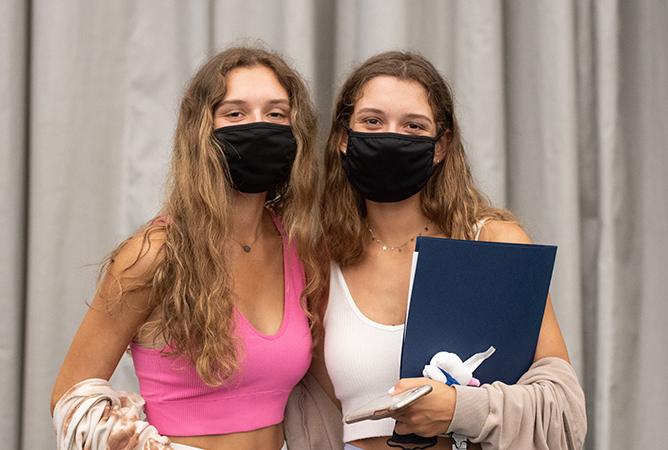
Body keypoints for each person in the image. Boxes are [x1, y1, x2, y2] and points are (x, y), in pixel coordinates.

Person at [310, 51, 587, 450]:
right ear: (342, 138)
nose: (392, 136)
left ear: (440, 146)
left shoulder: (493, 243)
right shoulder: (321, 260)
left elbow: (562, 414)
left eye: (413, 125)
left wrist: (459, 407)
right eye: (372, 121)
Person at [50, 46, 322, 450]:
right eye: (235, 113)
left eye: (276, 114)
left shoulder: (300, 250)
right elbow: (69, 399)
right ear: (201, 132)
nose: (258, 126)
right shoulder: (156, 254)